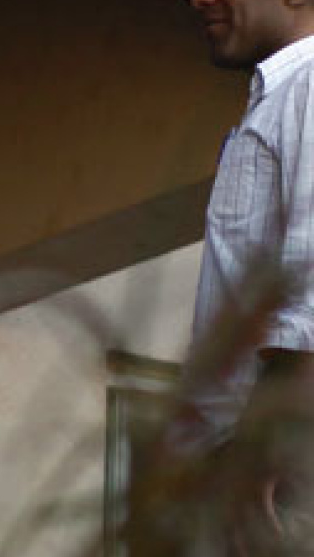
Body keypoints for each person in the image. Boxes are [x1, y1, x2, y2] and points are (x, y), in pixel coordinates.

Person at [154, 0, 314, 553]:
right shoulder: (282, 95)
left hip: (268, 482)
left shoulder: (310, 86)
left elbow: (311, 301)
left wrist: (261, 452)